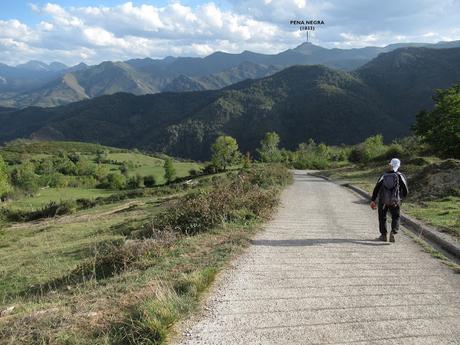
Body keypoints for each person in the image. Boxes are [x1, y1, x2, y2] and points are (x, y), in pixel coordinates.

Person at [370, 158, 408, 242]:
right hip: (395, 201)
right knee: (395, 217)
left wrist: (373, 200)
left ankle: (383, 235)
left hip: (383, 200)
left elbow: (376, 188)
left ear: (390, 165)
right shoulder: (400, 176)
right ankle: (393, 232)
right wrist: (400, 199)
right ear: (398, 166)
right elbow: (405, 190)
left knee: (382, 217)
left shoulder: (384, 175)